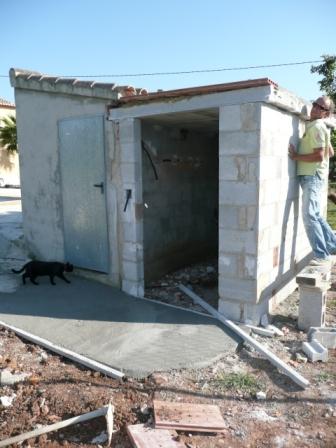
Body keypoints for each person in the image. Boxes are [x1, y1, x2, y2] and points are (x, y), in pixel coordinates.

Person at [288, 95, 336, 266]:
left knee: (309, 216)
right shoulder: (320, 127)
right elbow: (330, 152)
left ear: (326, 113)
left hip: (312, 176)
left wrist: (295, 156)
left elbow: (319, 155)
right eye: (315, 104)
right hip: (315, 176)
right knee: (315, 214)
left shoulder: (316, 126)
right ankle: (333, 244)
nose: (315, 107)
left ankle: (321, 255)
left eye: (321, 107)